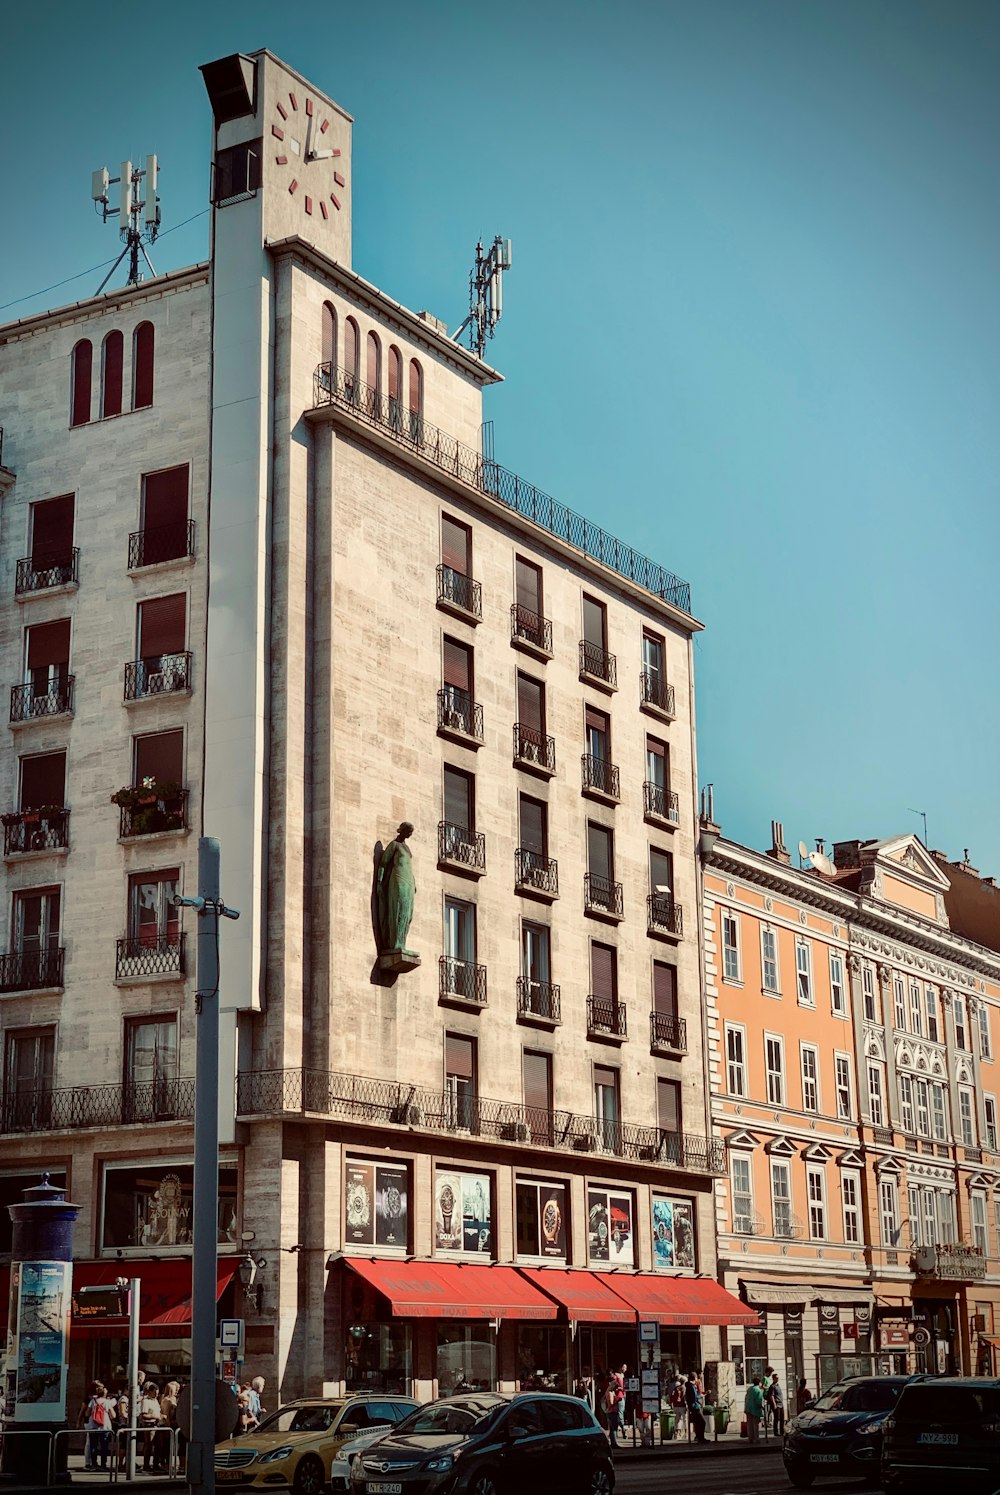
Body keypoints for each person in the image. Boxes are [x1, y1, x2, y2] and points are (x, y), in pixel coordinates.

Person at [140, 1381, 162, 1471]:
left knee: (158, 1445)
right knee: (149, 1445)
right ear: (150, 1392)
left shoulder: (156, 1400)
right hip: (149, 1424)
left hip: (157, 1424)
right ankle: (146, 1464)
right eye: (154, 1393)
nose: (156, 1395)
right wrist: (154, 1416)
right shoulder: (146, 1401)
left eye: (157, 1393)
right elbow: (143, 1415)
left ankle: (156, 1463)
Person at [603, 1364, 625, 1448]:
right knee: (613, 1427)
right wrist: (617, 1400)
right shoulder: (610, 1393)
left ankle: (613, 1442)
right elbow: (611, 1403)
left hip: (611, 1411)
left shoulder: (610, 1392)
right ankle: (614, 1443)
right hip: (612, 1411)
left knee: (613, 1427)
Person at [685, 1371, 707, 1443]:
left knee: (697, 1423)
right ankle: (701, 1438)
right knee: (702, 1422)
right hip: (695, 1407)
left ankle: (698, 1437)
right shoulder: (691, 1386)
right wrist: (701, 1395)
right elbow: (695, 1397)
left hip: (692, 1406)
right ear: (694, 1378)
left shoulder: (689, 1386)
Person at [744, 1375, 765, 1444]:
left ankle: (750, 1438)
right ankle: (756, 1438)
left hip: (748, 1408)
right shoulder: (759, 1390)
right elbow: (759, 1400)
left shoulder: (750, 1389)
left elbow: (746, 1398)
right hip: (755, 1409)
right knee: (755, 1425)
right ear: (759, 1383)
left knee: (749, 1424)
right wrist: (762, 1406)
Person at [767, 1372, 785, 1437]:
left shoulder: (778, 1385)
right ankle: (776, 1432)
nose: (778, 1379)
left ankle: (782, 1431)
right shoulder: (772, 1386)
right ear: (773, 1378)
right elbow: (771, 1396)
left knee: (782, 1419)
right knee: (776, 1419)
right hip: (777, 1404)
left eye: (778, 1378)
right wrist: (774, 1404)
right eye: (776, 1378)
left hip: (781, 1404)